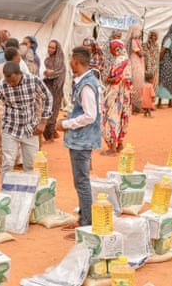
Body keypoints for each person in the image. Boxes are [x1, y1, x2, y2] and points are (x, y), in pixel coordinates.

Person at [55, 46, 101, 236]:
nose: (70, 63)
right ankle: (84, 217)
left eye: (71, 60)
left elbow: (90, 115)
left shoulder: (87, 85)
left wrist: (66, 124)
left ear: (77, 61)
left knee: (81, 181)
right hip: (80, 139)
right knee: (81, 180)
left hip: (82, 140)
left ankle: (86, 222)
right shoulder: (84, 82)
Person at [0, 61, 53, 181]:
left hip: (31, 129)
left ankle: (30, 195)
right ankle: (7, 193)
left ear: (20, 74)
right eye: (8, 81)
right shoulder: (1, 86)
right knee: (7, 163)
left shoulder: (33, 81)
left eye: (14, 81)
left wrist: (43, 122)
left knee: (31, 165)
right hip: (10, 129)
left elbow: (48, 97)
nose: (11, 84)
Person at [101, 40, 132, 156]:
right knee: (122, 117)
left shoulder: (119, 61)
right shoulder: (127, 60)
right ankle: (120, 144)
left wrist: (106, 80)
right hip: (125, 96)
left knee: (111, 117)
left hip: (115, 95)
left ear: (115, 49)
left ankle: (112, 147)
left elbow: (115, 79)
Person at [43, 39, 66, 142]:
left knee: (53, 112)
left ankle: (50, 136)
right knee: (45, 111)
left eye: (52, 47)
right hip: (47, 89)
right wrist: (46, 73)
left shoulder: (60, 62)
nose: (50, 49)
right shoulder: (46, 60)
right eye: (49, 47)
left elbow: (59, 73)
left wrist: (50, 74)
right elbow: (43, 73)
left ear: (57, 49)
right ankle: (49, 134)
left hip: (56, 90)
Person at [157, 22, 172, 108]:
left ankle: (170, 101)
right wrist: (158, 61)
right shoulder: (169, 39)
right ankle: (159, 102)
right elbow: (163, 50)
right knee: (164, 80)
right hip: (166, 63)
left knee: (171, 81)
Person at [125, 24, 145, 114]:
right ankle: (133, 107)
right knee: (135, 84)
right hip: (134, 64)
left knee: (138, 84)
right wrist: (143, 50)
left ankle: (137, 106)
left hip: (137, 63)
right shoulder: (133, 42)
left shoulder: (136, 41)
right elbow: (140, 53)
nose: (140, 33)